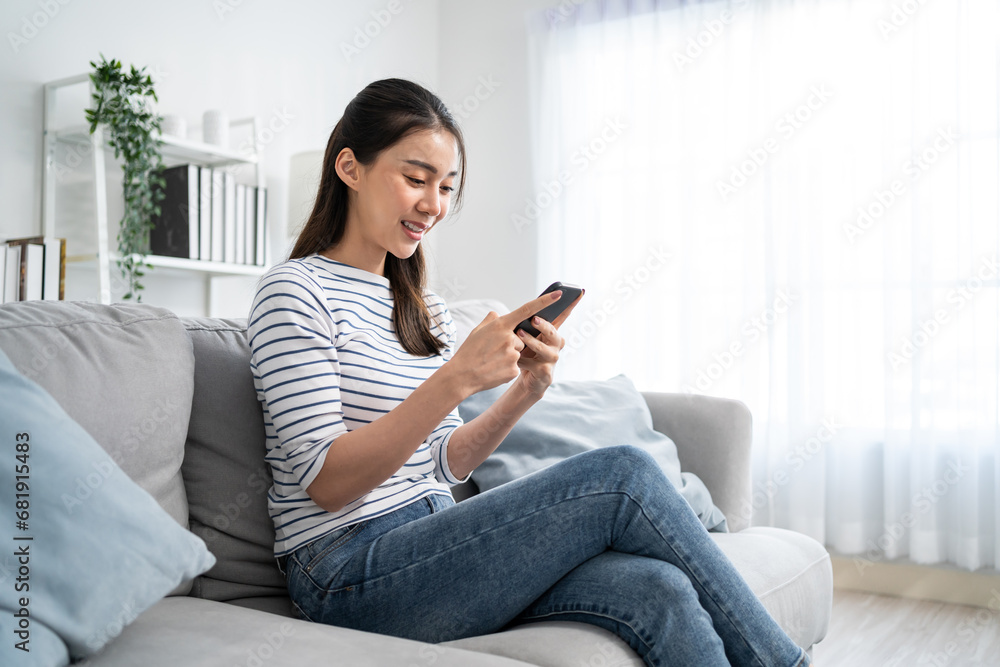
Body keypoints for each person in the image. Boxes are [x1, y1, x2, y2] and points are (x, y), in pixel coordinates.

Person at [247, 78, 811, 667]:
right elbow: (327, 483)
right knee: (623, 474)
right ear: (349, 167)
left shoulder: (420, 306)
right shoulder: (295, 292)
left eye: (445, 187)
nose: (434, 205)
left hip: (432, 536)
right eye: (416, 179)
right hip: (344, 572)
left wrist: (524, 392)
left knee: (658, 591)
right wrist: (457, 379)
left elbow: (446, 463)